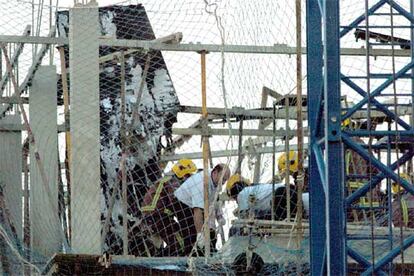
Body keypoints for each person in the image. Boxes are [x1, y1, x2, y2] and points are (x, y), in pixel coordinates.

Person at [141, 159, 197, 256]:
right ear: (183, 173)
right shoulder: (173, 183)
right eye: (189, 175)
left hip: (152, 215)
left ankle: (161, 257)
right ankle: (164, 260)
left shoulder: (165, 180)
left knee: (176, 237)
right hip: (157, 216)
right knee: (181, 242)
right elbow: (177, 203)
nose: (190, 179)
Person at [172, 163, 231, 255]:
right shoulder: (202, 183)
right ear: (215, 173)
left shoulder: (215, 182)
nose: (223, 183)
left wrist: (219, 216)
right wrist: (200, 234)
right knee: (191, 233)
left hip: (195, 205)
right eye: (223, 179)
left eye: (225, 181)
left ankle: (202, 254)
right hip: (181, 203)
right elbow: (197, 211)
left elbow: (214, 202)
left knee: (209, 232)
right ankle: (188, 258)